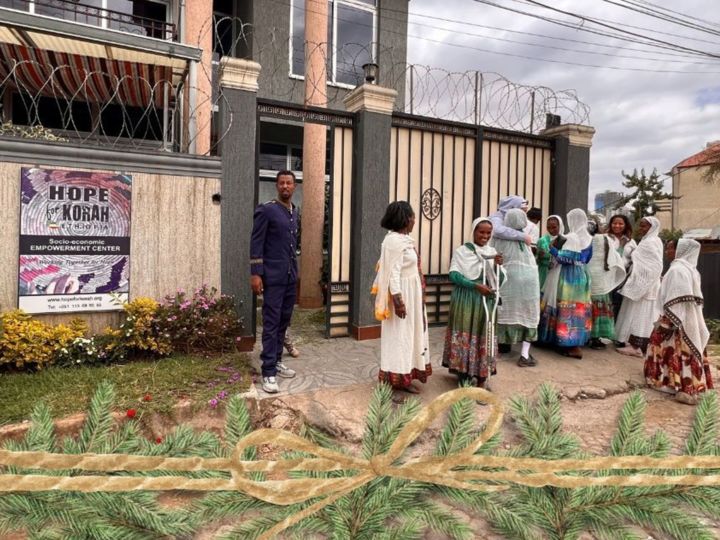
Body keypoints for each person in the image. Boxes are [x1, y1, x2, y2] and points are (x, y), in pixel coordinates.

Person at [644, 239, 713, 405]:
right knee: (689, 353)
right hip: (690, 321)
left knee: (670, 350)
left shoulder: (677, 270)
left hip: (677, 322)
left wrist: (668, 324)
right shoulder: (691, 270)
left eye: (670, 248)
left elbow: (677, 302)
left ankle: (678, 387)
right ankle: (691, 387)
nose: (667, 251)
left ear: (679, 251)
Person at [372, 201, 431, 394]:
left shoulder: (404, 240)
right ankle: (398, 379)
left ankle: (405, 374)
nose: (415, 220)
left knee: (410, 335)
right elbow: (392, 274)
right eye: (413, 216)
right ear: (405, 219)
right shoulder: (394, 242)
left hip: (412, 294)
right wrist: (398, 302)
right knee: (400, 337)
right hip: (403, 296)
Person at [250, 170, 299, 394]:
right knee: (271, 323)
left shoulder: (294, 212)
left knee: (283, 321)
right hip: (272, 276)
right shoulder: (267, 210)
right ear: (277, 186)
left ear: (294, 186)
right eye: (282, 183)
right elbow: (256, 242)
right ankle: (268, 371)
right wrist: (256, 273)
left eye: (289, 183)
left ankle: (277, 361)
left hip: (290, 277)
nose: (285, 187)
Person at [442, 217, 505, 389]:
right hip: (467, 298)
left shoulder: (492, 251)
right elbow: (454, 275)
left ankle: (482, 377)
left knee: (485, 337)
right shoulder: (462, 251)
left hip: (486, 300)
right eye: (481, 232)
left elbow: (501, 279)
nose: (485, 236)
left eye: (488, 233)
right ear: (473, 232)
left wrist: (498, 265)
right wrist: (475, 285)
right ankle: (463, 374)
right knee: (465, 337)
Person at [537, 208, 593, 359]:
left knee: (565, 307)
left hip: (568, 277)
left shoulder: (572, 237)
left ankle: (566, 343)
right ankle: (575, 342)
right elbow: (586, 259)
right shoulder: (588, 238)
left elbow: (565, 258)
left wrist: (552, 250)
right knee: (578, 310)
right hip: (581, 276)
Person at [492, 208, 540, 367]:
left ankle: (498, 349)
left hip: (507, 281)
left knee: (505, 312)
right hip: (529, 282)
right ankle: (524, 355)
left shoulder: (499, 238)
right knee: (528, 313)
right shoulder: (525, 238)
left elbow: (493, 257)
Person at [489, 195, 533, 354]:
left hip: (517, 279)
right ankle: (503, 342)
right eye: (522, 211)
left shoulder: (517, 229)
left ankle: (508, 341)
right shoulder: (497, 219)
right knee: (504, 308)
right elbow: (498, 231)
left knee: (511, 308)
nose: (524, 215)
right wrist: (523, 237)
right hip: (503, 275)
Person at [614, 216, 663, 357]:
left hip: (646, 285)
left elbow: (654, 266)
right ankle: (634, 344)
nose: (641, 229)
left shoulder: (651, 242)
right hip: (642, 282)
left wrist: (643, 283)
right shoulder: (649, 240)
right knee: (636, 313)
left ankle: (637, 347)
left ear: (652, 227)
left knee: (641, 314)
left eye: (644, 226)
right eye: (640, 226)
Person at [587, 216, 626, 349]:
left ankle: (586, 336)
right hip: (601, 278)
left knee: (588, 306)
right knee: (601, 307)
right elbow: (614, 258)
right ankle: (596, 338)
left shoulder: (583, 239)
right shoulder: (606, 239)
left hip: (587, 276)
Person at [607, 214, 637, 321]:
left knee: (619, 302)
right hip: (609, 275)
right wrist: (620, 246)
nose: (617, 226)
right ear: (611, 224)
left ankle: (617, 328)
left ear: (625, 225)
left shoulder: (631, 241)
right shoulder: (607, 238)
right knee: (608, 303)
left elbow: (636, 259)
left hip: (624, 277)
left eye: (620, 224)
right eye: (615, 223)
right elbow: (611, 257)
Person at [536, 215, 565, 290]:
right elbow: (537, 260)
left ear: (560, 226)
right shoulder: (542, 240)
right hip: (544, 274)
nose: (551, 230)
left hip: (559, 274)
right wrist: (539, 256)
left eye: (554, 227)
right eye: (548, 227)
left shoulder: (565, 240)